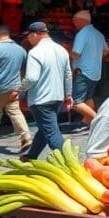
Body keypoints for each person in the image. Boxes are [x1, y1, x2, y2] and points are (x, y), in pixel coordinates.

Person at [14, 23, 72, 160]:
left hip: (41, 99)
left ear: (35, 34)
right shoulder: (61, 50)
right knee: (44, 128)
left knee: (51, 132)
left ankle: (68, 160)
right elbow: (68, 74)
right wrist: (68, 95)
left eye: (28, 36)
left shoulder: (35, 52)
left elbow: (31, 78)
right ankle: (31, 156)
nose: (28, 40)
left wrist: (19, 89)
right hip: (57, 98)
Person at [0, 24, 32, 152]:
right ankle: (26, 136)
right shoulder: (21, 50)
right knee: (15, 112)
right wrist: (19, 88)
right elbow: (24, 71)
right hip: (13, 89)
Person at [71, 10, 106, 125]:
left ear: (82, 21)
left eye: (75, 20)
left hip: (83, 72)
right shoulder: (98, 34)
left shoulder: (82, 34)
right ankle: (88, 121)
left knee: (76, 101)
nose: (73, 23)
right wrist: (93, 56)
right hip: (95, 72)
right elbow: (106, 51)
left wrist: (65, 51)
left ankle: (97, 120)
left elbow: (76, 54)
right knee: (88, 98)